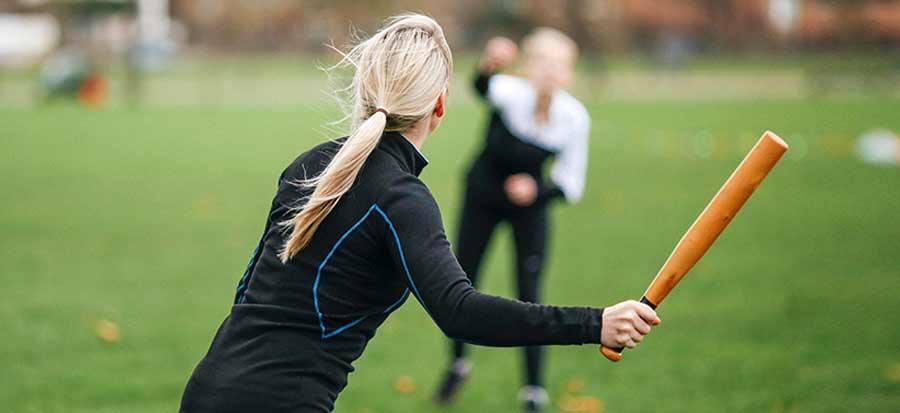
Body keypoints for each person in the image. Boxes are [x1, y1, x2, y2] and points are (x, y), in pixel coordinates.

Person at [180, 14, 659, 413]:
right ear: (440, 105)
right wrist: (595, 322)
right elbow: (461, 312)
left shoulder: (310, 162)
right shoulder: (402, 200)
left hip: (206, 387)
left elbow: (247, 290)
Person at [434, 30, 591, 412]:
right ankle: (457, 364)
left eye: (559, 65)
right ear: (528, 67)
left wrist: (536, 191)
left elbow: (571, 183)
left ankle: (533, 391)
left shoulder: (573, 117)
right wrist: (490, 62)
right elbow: (481, 85)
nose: (549, 72)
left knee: (529, 292)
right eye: (541, 62)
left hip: (529, 210)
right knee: (462, 280)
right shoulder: (510, 92)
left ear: (569, 73)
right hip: (482, 198)